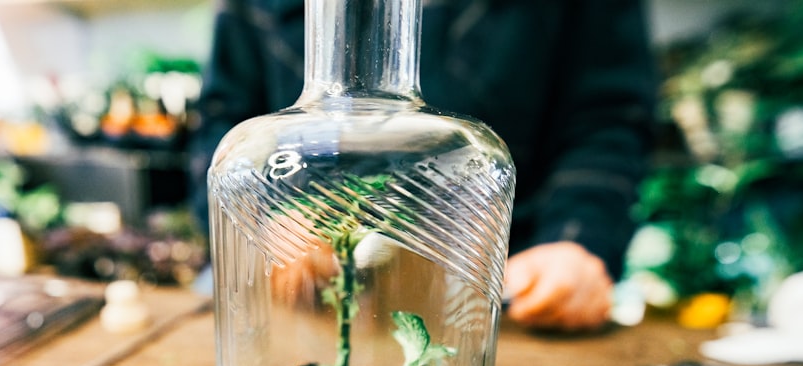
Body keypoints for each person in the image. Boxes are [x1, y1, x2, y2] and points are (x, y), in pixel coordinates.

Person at [190, 0, 657, 332]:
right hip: (302, 295)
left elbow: (607, 115)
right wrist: (268, 219)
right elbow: (220, 122)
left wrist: (576, 239)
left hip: (497, 298)